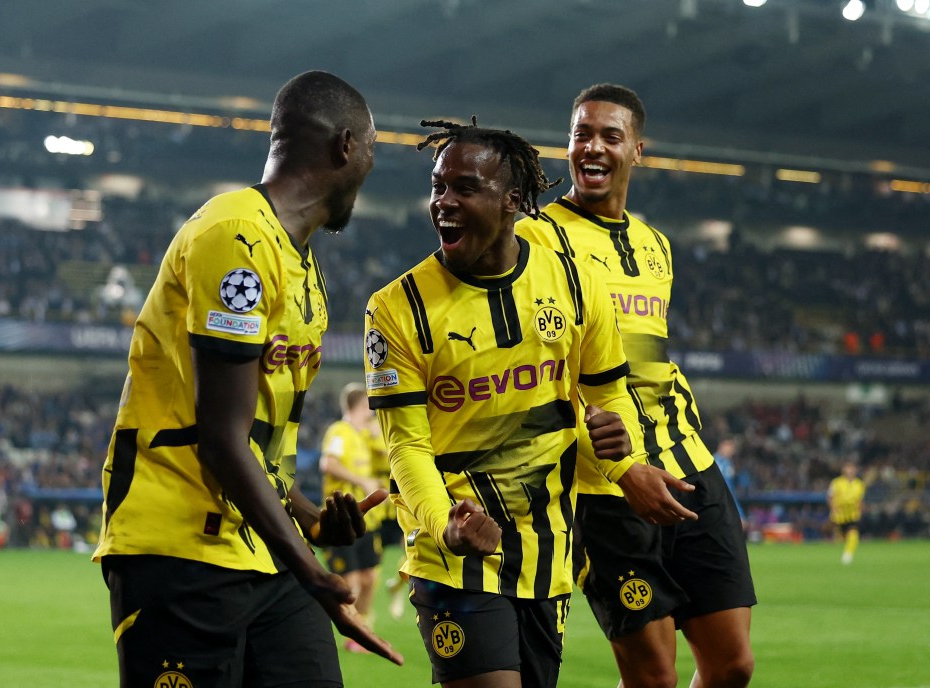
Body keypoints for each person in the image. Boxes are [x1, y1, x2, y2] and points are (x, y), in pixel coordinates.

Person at [92, 71, 402, 688]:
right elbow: (220, 438)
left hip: (260, 550)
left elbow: (256, 447)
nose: (371, 167)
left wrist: (311, 520)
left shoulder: (302, 266)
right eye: (372, 148)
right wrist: (313, 571)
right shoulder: (236, 237)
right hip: (179, 552)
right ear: (345, 145)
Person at [364, 118, 695, 688]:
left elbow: (605, 389)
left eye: (464, 188)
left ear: (514, 200)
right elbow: (406, 445)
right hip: (454, 555)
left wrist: (616, 453)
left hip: (549, 557)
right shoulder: (397, 308)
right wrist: (445, 523)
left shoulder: (573, 279)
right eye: (438, 187)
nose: (443, 202)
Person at [516, 84, 756, 688]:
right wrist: (624, 468)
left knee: (731, 666)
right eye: (581, 135)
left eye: (610, 136)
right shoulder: (536, 239)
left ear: (638, 151)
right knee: (654, 679)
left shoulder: (656, 246)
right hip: (603, 483)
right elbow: (539, 370)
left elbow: (650, 358)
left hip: (688, 463)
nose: (592, 147)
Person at [319, 382, 384, 652]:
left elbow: (388, 453)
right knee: (352, 580)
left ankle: (364, 626)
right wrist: (361, 480)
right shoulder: (339, 432)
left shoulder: (363, 436)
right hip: (342, 519)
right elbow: (328, 463)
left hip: (368, 520)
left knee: (370, 578)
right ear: (362, 405)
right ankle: (354, 635)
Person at [828, 461, 865, 564]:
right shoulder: (836, 483)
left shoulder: (859, 484)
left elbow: (860, 500)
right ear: (843, 470)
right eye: (848, 468)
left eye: (852, 468)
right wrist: (833, 509)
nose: (850, 470)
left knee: (853, 534)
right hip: (839, 516)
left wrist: (860, 510)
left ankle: (847, 555)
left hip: (852, 515)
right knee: (839, 540)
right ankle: (837, 558)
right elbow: (830, 497)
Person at [713, 438, 746, 524]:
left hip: (725, 505)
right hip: (717, 505)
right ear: (722, 445)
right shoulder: (714, 462)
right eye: (730, 447)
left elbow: (730, 491)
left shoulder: (727, 463)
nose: (732, 451)